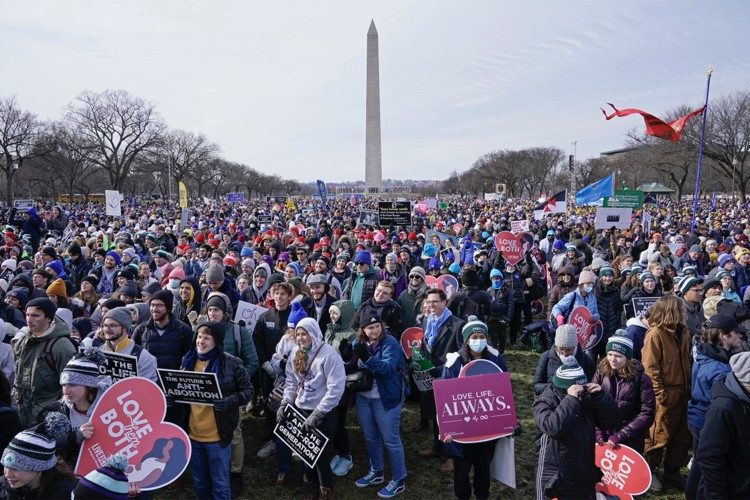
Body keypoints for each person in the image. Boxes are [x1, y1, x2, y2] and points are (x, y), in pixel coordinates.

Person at [174, 321, 253, 500]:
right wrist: (173, 396)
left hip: (218, 437)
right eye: (199, 337)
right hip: (193, 435)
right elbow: (183, 393)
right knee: (200, 482)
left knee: (220, 485)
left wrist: (229, 401)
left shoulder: (232, 364)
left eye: (207, 338)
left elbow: (249, 391)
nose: (201, 341)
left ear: (216, 341)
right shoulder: (187, 361)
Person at [533, 356, 621, 500]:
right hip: (555, 472)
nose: (582, 393)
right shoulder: (545, 400)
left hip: (582, 469)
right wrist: (571, 400)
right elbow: (553, 427)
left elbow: (613, 422)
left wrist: (601, 397)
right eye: (578, 390)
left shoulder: (585, 398)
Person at [278, 318, 345, 500]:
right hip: (301, 408)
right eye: (298, 334)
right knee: (304, 451)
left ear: (313, 333)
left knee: (320, 454)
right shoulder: (295, 352)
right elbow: (291, 382)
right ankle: (310, 486)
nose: (301, 338)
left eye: (304, 334)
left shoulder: (329, 355)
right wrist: (286, 402)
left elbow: (336, 388)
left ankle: (325, 489)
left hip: (322, 411)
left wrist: (319, 412)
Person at [442, 319, 507, 500]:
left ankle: (482, 495)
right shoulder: (454, 361)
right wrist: (447, 427)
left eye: (482, 336)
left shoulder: (495, 357)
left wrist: (507, 421)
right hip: (463, 432)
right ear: (466, 339)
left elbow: (504, 389)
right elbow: (445, 397)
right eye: (474, 337)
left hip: (487, 429)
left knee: (483, 469)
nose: (479, 340)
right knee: (461, 473)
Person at [202, 291, 258, 496]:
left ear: (225, 311)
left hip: (231, 393)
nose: (213, 313)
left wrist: (236, 382)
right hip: (206, 393)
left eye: (217, 309)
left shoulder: (237, 332)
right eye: (210, 309)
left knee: (234, 433)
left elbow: (252, 362)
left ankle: (235, 473)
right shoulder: (203, 331)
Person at [685, 314, 746, 499]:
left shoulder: (703, 351)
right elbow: (720, 401)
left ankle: (691, 492)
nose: (740, 336)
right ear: (723, 336)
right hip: (706, 419)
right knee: (708, 465)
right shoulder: (719, 369)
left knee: (699, 462)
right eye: (736, 333)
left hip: (696, 414)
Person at [350, 311, 408, 498]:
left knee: (391, 440)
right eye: (370, 327)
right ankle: (377, 471)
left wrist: (367, 358)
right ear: (363, 330)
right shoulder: (359, 343)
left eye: (377, 326)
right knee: (370, 437)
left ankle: (399, 479)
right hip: (364, 397)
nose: (375, 330)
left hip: (386, 398)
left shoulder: (390, 342)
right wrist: (346, 358)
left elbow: (387, 369)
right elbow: (351, 366)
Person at [641, 295, 692, 492]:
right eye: (681, 309)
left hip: (683, 391)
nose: (685, 312)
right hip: (665, 394)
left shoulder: (683, 332)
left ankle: (672, 471)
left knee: (681, 436)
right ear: (672, 311)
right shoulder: (655, 334)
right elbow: (650, 368)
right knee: (658, 435)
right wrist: (660, 395)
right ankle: (649, 470)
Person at [418, 288, 466, 463]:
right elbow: (425, 345)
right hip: (430, 375)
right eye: (429, 302)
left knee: (449, 417)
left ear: (444, 302)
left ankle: (451, 456)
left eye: (435, 302)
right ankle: (437, 448)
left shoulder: (457, 324)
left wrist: (448, 366)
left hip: (447, 377)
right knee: (435, 414)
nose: (431, 305)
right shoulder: (426, 321)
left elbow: (463, 351)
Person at [12, 297, 77, 428]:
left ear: (48, 318)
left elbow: (72, 385)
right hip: (22, 414)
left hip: (46, 419)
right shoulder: (23, 341)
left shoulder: (62, 346)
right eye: (28, 315)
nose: (29, 320)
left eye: (36, 315)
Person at [695, 351, 750, 499]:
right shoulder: (723, 409)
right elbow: (709, 457)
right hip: (729, 490)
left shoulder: (744, 400)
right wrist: (717, 496)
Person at [592, 332, 655, 453]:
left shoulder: (642, 380)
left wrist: (622, 435)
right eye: (609, 354)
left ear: (627, 357)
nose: (612, 359)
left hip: (630, 440)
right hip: (602, 438)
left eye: (618, 356)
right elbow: (591, 404)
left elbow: (647, 413)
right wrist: (597, 431)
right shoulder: (600, 373)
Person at [0, 412, 77, 499]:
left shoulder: (64, 494)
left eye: (16, 468)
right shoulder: (3, 487)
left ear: (39, 467)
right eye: (6, 466)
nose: (7, 474)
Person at [324, 300, 356, 477]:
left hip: (341, 386)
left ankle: (346, 456)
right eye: (331, 313)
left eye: (336, 313)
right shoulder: (329, 330)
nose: (332, 316)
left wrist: (346, 357)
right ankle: (337, 453)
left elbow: (353, 363)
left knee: (338, 423)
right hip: (325, 382)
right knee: (330, 422)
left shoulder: (350, 334)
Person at [132, 289, 193, 370]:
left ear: (168, 308)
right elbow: (133, 355)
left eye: (159, 305)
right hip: (148, 378)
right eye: (152, 305)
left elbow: (189, 358)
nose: (154, 309)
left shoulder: (183, 330)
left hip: (170, 379)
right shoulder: (141, 330)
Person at [532, 324, 595, 396]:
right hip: (551, 400)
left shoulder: (586, 360)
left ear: (575, 347)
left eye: (568, 350)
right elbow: (536, 385)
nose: (565, 353)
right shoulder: (546, 357)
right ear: (556, 346)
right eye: (561, 349)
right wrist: (557, 389)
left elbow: (590, 386)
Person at [99, 307, 158, 382]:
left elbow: (146, 388)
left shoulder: (143, 357)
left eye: (112, 325)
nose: (107, 329)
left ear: (125, 327)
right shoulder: (99, 351)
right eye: (105, 325)